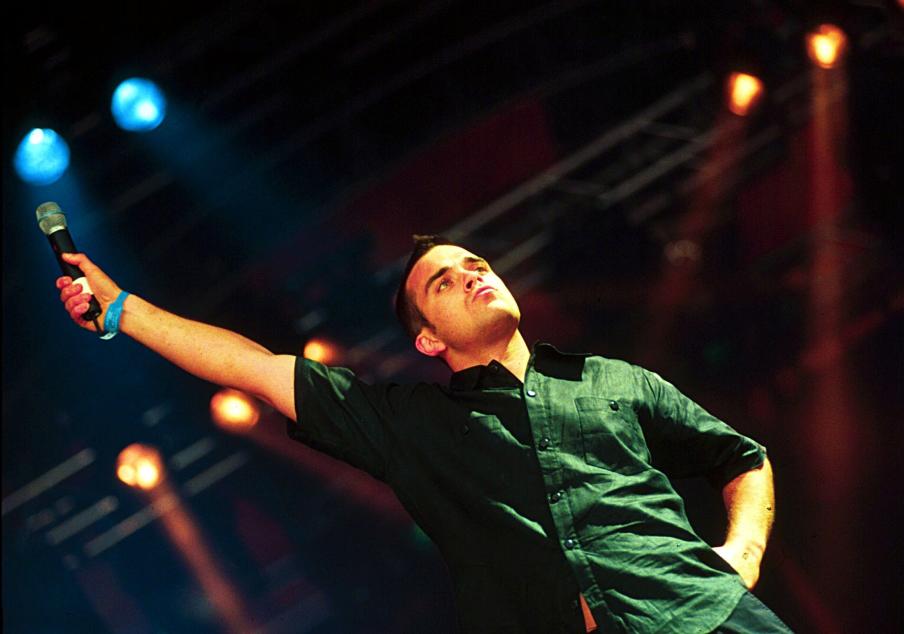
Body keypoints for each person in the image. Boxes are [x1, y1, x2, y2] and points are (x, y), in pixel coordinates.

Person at [55, 235, 791, 633]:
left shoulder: (616, 380)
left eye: (476, 264)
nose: (473, 274)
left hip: (708, 615)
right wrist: (123, 310)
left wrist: (743, 553)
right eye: (444, 282)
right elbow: (255, 369)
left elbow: (742, 457)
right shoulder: (414, 426)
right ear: (430, 341)